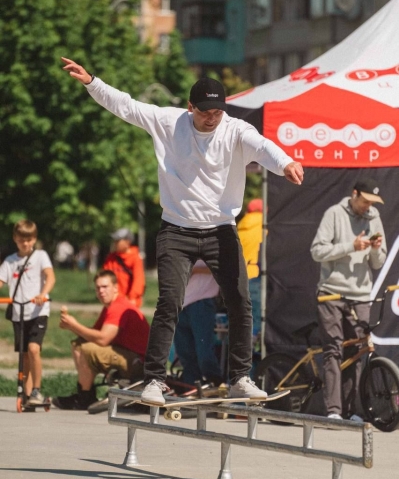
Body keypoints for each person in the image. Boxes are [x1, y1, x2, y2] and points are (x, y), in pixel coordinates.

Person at [61, 56, 304, 405]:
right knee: (169, 303)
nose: (211, 118)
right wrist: (92, 82)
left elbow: (263, 148)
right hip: (177, 231)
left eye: (217, 112)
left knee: (239, 301)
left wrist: (285, 163)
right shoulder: (168, 121)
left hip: (221, 230)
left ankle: (239, 377)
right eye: (204, 112)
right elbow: (126, 107)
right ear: (190, 107)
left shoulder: (235, 129)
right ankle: (155, 380)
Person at [310, 178, 387, 421]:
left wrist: (374, 249)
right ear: (354, 194)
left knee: (357, 352)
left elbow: (378, 263)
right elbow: (317, 251)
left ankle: (353, 410)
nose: (368, 207)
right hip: (332, 292)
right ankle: (334, 411)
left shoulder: (373, 217)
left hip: (360, 296)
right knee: (333, 350)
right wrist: (351, 246)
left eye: (372, 203)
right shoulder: (334, 213)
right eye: (365, 201)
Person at [52, 270, 150, 410]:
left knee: (83, 348)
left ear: (116, 287)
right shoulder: (110, 307)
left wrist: (74, 325)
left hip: (138, 361)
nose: (101, 291)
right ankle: (85, 395)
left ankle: (84, 397)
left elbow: (103, 339)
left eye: (105, 287)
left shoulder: (118, 306)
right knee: (79, 343)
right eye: (97, 288)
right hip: (128, 355)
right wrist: (71, 327)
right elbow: (93, 334)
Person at [0, 220, 55, 406]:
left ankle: (36, 391)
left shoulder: (40, 256)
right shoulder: (10, 261)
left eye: (29, 239)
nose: (26, 243)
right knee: (24, 355)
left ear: (34, 239)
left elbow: (50, 277)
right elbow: (1, 280)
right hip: (19, 312)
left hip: (38, 311)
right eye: (22, 239)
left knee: (33, 349)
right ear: (15, 238)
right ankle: (27, 393)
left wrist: (43, 294)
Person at [174, 260, 223, 387]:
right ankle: (191, 386)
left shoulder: (212, 243)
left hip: (201, 301)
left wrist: (194, 270)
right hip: (180, 301)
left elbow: (222, 267)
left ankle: (216, 383)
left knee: (204, 352)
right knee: (185, 352)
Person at [237, 198, 263, 336]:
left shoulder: (239, 228)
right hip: (257, 277)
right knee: (259, 319)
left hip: (239, 278)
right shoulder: (265, 227)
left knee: (243, 319)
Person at [103, 228, 145, 308]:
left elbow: (139, 280)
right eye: (114, 241)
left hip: (129, 301)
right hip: (113, 301)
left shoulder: (135, 258)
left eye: (117, 241)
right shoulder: (111, 258)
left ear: (127, 242)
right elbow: (104, 277)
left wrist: (132, 297)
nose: (114, 243)